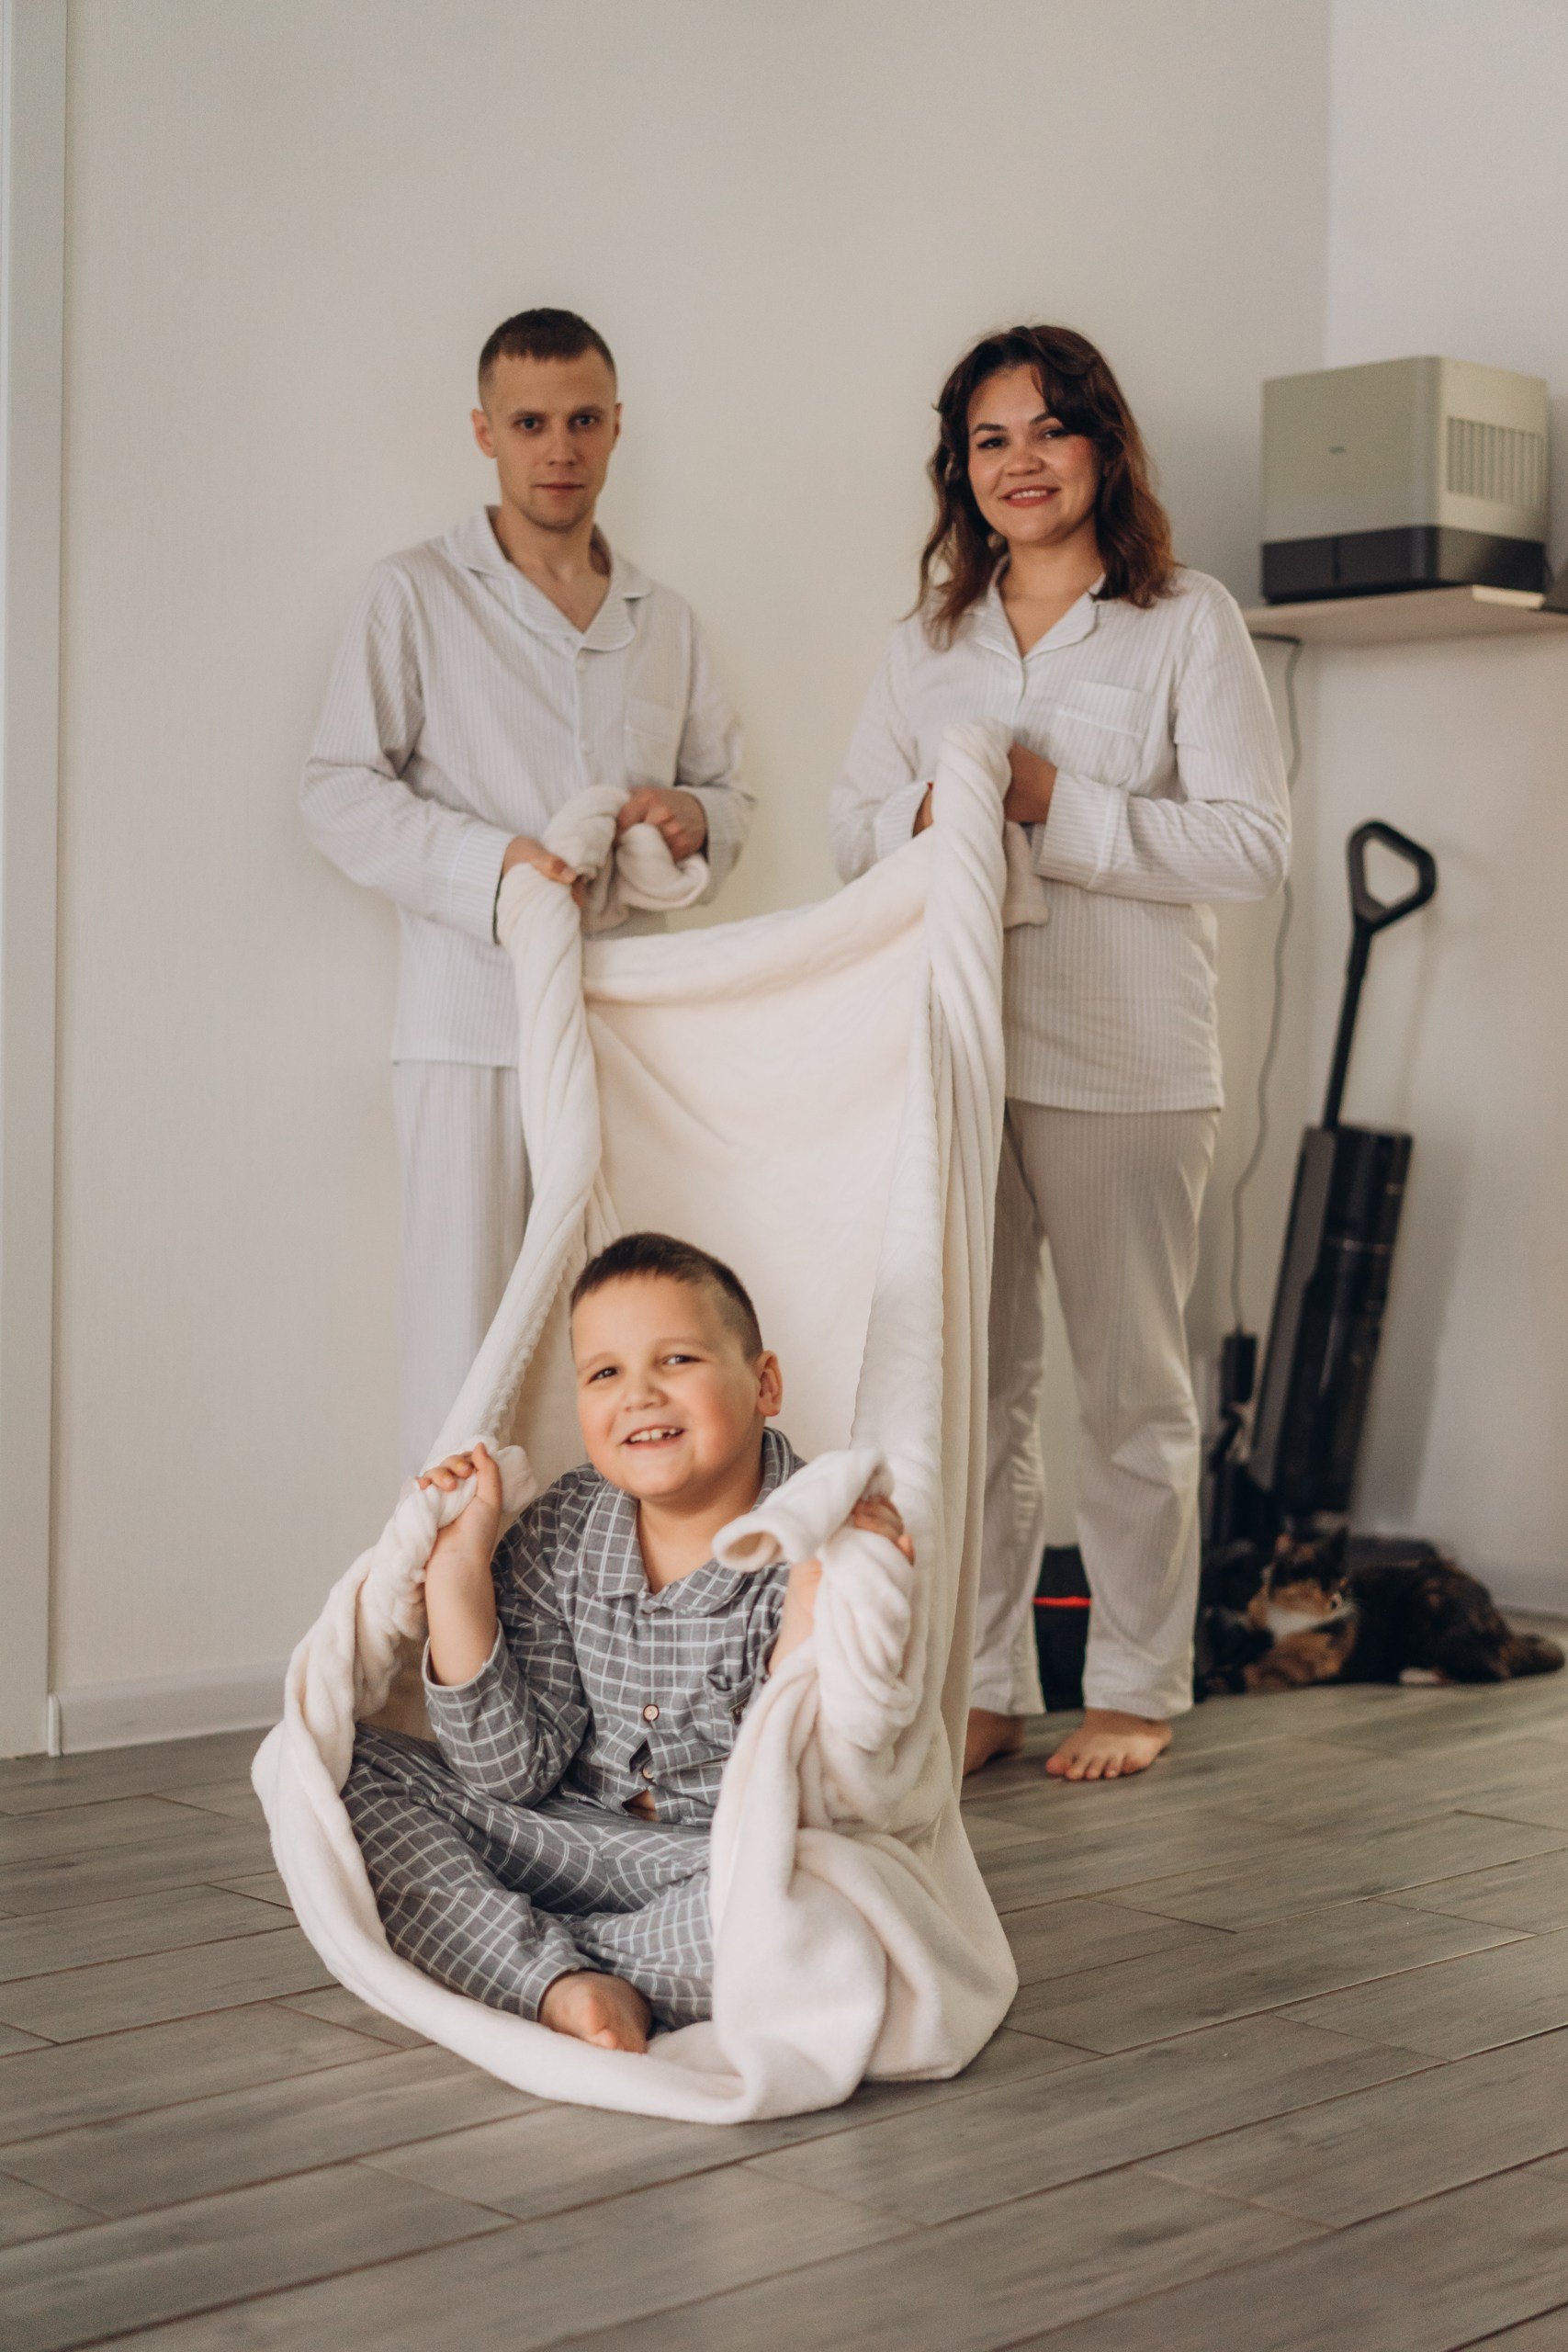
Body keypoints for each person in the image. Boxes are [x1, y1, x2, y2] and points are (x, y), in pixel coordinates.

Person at [830, 324, 1288, 1785]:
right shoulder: (924, 645)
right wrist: (931, 811)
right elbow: (849, 832)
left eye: (1047, 430)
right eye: (989, 439)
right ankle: (981, 1683)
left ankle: (1136, 1684)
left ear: (1101, 447)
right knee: (970, 1393)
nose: (1018, 463)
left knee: (1132, 1393)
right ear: (957, 469)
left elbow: (1250, 846)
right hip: (957, 1059)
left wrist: (1049, 802)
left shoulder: (1184, 622)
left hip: (1126, 1063)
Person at [300, 311, 754, 1473]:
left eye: (584, 420)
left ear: (618, 428)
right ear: (485, 432)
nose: (561, 448)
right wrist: (494, 867)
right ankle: (440, 1594)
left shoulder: (666, 621)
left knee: (624, 1343)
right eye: (532, 423)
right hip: (471, 1030)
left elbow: (728, 797)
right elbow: (336, 790)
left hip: (622, 1039)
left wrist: (693, 818)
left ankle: (593, 1585)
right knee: (464, 1356)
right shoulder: (414, 596)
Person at [343, 1231, 911, 2052]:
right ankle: (564, 1973)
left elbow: (813, 1786)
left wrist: (815, 1609)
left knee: (822, 1913)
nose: (639, 1395)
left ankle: (546, 1970)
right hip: (559, 1837)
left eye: (676, 1360)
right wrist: (458, 1575)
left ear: (764, 1384)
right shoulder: (563, 1528)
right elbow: (508, 1777)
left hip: (719, 1866)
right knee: (338, 1772)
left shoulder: (816, 1534)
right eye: (605, 1373)